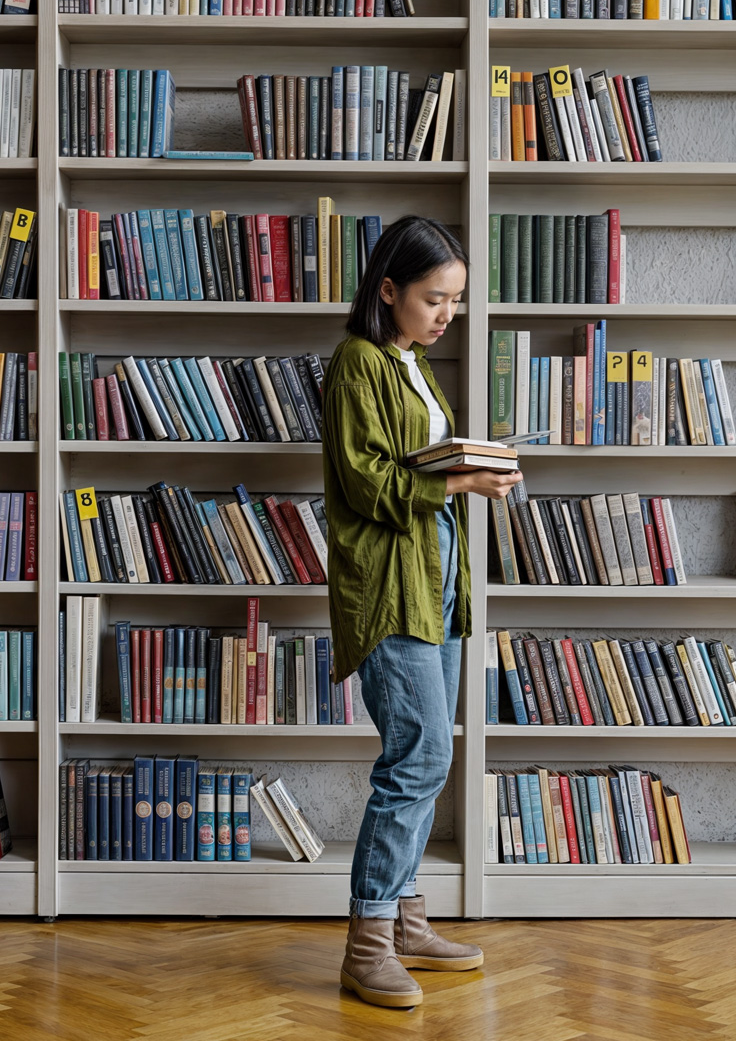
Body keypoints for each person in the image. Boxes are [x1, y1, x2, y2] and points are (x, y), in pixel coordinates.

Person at [321, 216, 521, 1009]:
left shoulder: (410, 363)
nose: (447, 315)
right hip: (388, 585)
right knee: (418, 756)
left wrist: (478, 464)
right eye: (435, 298)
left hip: (435, 577)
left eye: (457, 301)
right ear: (389, 289)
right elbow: (365, 482)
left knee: (427, 757)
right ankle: (366, 943)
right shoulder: (357, 363)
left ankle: (406, 920)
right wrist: (462, 483)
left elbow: (417, 462)